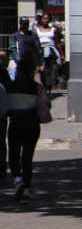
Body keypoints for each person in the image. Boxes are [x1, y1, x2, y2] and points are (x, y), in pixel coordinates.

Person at [6, 53, 45, 201]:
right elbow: (44, 107)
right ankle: (27, 187)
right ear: (31, 72)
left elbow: (6, 107)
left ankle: (17, 179)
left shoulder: (10, 87)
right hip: (32, 124)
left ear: (19, 70)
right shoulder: (37, 87)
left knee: (14, 154)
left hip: (16, 123)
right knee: (28, 157)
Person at [34, 13, 63, 95]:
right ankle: (43, 86)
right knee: (41, 70)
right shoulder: (36, 30)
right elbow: (34, 41)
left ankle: (49, 86)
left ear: (49, 20)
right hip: (41, 51)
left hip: (51, 51)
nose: (45, 20)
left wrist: (61, 54)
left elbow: (57, 43)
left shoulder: (53, 30)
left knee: (51, 69)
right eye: (44, 18)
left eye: (47, 19)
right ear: (41, 19)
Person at [0, 49, 10, 187]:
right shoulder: (3, 71)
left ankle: (2, 170)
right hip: (1, 112)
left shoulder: (3, 71)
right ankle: (1, 171)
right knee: (1, 142)